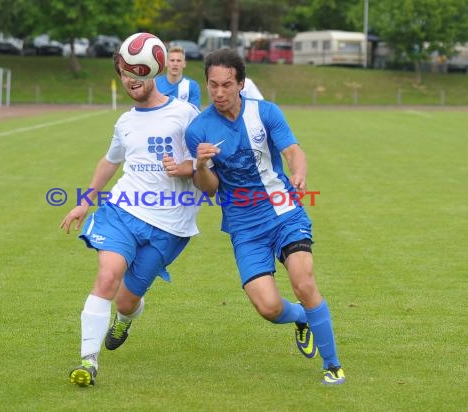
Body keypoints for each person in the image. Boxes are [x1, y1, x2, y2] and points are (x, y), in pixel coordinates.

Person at [184, 48, 345, 385]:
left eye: (226, 84)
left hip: (283, 209)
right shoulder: (198, 129)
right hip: (244, 225)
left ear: (241, 83)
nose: (218, 92)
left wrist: (299, 173)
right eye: (212, 85)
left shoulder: (266, 113)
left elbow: (293, 151)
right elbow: (210, 189)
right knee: (268, 308)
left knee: (303, 281)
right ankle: (302, 319)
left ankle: (332, 365)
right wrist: (199, 164)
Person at [60, 45, 200, 387]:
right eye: (124, 73)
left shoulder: (186, 114)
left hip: (169, 224)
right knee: (108, 277)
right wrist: (84, 200)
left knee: (127, 299)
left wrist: (187, 167)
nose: (129, 79)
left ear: (152, 70)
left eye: (136, 71)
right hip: (123, 210)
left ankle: (125, 318)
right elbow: (110, 161)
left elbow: (210, 161)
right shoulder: (125, 121)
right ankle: (88, 362)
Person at [155, 45, 202, 109]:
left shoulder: (192, 86)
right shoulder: (155, 84)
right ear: (166, 63)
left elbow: (194, 114)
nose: (175, 64)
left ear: (184, 64)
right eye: (172, 60)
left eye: (179, 61)